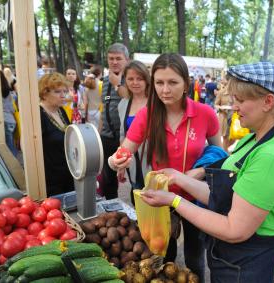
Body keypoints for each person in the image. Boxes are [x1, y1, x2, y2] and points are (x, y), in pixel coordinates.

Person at [139, 61, 274, 283]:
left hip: (252, 268)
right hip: (234, 262)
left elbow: (234, 229)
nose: (234, 107)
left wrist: (174, 200)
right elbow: (224, 196)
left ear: (268, 102)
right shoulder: (252, 139)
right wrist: (179, 178)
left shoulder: (271, 157)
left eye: (241, 100)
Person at [109, 53, 221, 282]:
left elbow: (221, 157)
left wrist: (196, 173)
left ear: (186, 84)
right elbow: (123, 151)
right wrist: (115, 161)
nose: (165, 90)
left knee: (195, 257)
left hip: (195, 197)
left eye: (172, 82)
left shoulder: (205, 114)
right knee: (161, 258)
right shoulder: (147, 115)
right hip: (161, 198)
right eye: (159, 82)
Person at [117, 60, 151, 203]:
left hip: (152, 161)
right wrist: (121, 164)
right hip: (133, 163)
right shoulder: (123, 104)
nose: (135, 82)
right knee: (136, 194)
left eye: (139, 78)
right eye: (130, 79)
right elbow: (122, 135)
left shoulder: (156, 102)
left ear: (146, 79)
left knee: (154, 197)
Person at [100, 43, 130, 199]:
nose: (114, 62)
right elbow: (104, 106)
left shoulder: (131, 79)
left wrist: (117, 83)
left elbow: (129, 99)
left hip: (127, 138)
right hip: (107, 137)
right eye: (111, 58)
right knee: (108, 177)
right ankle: (112, 207)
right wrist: (99, 133)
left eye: (118, 58)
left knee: (131, 176)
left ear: (127, 60)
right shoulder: (105, 81)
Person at [38, 73, 73, 196]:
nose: (63, 95)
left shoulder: (60, 110)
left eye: (65, 91)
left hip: (67, 172)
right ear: (44, 93)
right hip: (50, 178)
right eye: (58, 92)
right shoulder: (38, 114)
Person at [214, 75, 234, 152]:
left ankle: (223, 149)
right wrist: (222, 107)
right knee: (225, 137)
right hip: (224, 117)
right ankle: (224, 154)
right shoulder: (221, 92)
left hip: (234, 117)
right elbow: (216, 105)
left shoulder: (236, 93)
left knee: (234, 137)